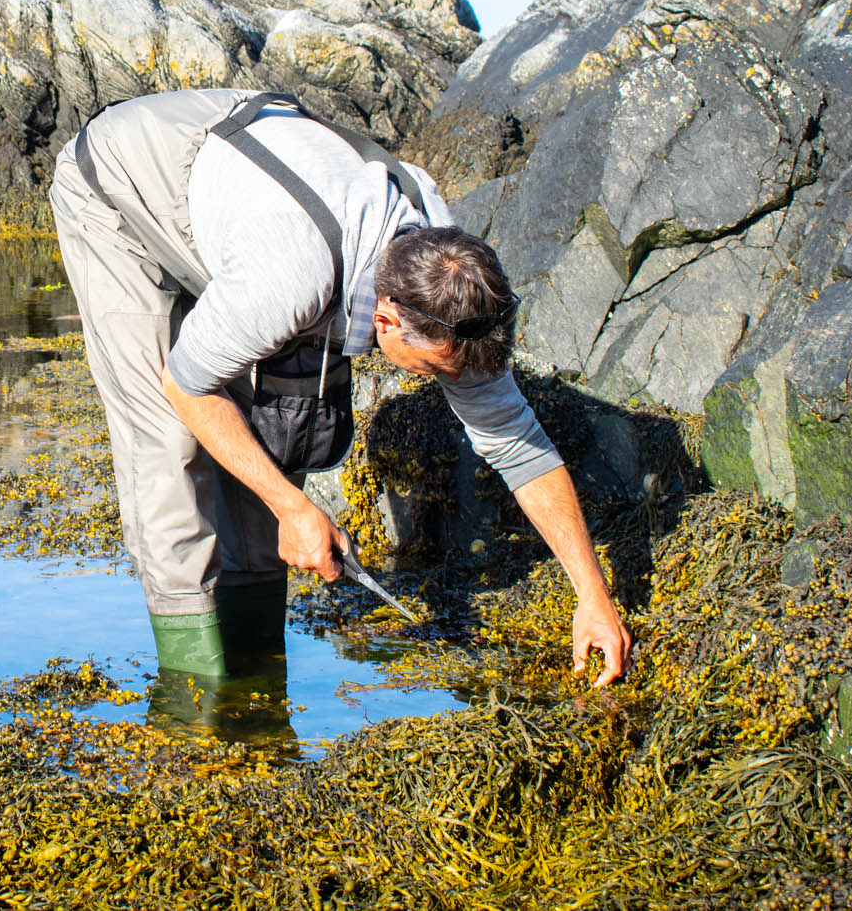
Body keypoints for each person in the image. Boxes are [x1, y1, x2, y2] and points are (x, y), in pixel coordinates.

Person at [49, 88, 631, 686]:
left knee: (280, 425)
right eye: (431, 369)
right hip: (121, 184)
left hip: (253, 204)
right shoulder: (290, 275)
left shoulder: (452, 272)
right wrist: (292, 506)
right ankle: (198, 690)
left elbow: (515, 441)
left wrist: (593, 594)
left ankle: (257, 668)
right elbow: (187, 386)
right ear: (384, 320)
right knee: (169, 443)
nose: (437, 383)